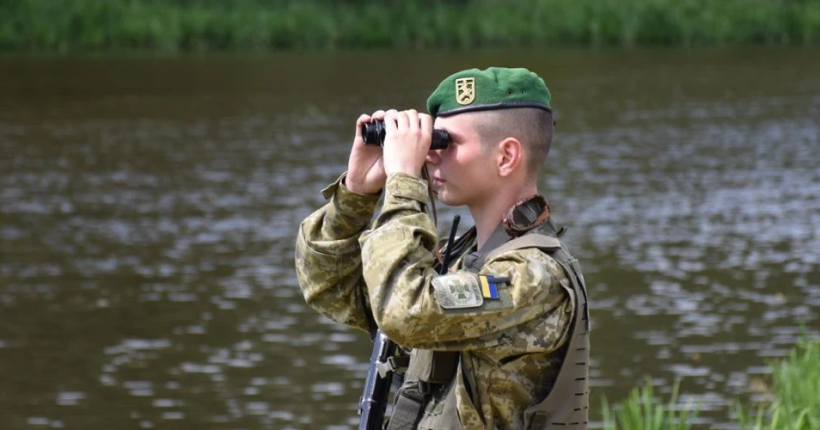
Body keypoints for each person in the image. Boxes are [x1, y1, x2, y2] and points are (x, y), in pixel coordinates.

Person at [295, 67, 590, 430]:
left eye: (446, 143)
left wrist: (403, 180)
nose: (431, 155)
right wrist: (357, 193)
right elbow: (328, 288)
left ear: (506, 157)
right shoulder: (458, 262)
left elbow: (404, 310)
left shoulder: (534, 278)